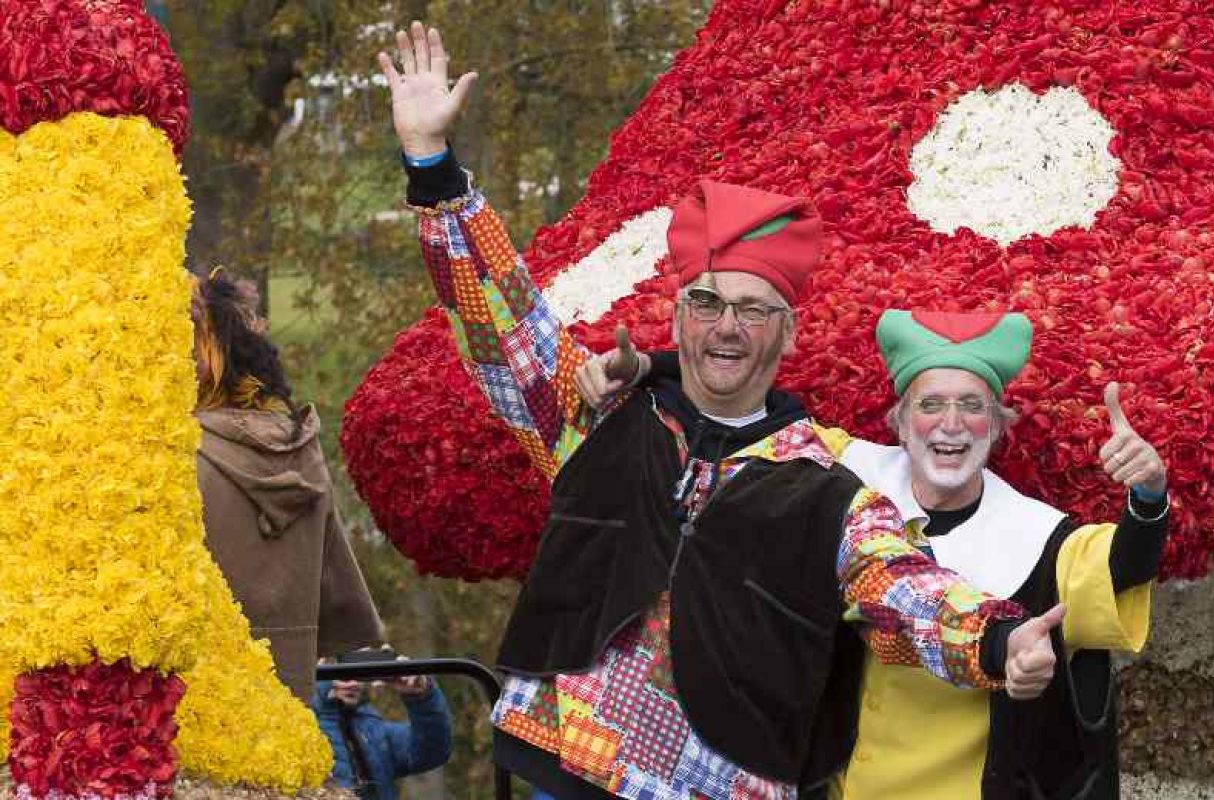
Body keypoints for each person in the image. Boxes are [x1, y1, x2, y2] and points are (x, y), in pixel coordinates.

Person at [377, 22, 1068, 800]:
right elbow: (502, 322)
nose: (727, 325)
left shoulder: (825, 489)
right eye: (706, 303)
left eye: (752, 308)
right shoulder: (598, 411)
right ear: (676, 319)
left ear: (787, 331)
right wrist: (432, 170)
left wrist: (1001, 638)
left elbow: (904, 586)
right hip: (560, 762)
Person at [581, 309, 1170, 800]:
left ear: (996, 425)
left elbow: (1122, 564)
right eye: (931, 404)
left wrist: (1147, 494)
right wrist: (650, 368)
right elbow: (738, 415)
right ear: (900, 420)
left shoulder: (1038, 534)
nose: (951, 424)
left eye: (972, 406)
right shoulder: (837, 468)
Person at [193, 268, 386, 701]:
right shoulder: (302, 446)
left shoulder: (183, 455)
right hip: (286, 695)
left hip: (197, 702)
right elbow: (336, 589)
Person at [312, 669, 454, 800]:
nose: (353, 682)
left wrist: (422, 696)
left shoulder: (371, 728)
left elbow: (433, 751)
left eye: (356, 670)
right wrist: (323, 700)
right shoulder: (298, 731)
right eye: (339, 672)